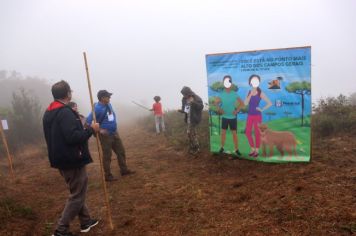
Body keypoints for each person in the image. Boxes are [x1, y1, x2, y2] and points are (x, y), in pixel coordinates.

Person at [42, 80, 100, 236]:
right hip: (72, 159)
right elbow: (72, 137)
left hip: (60, 158)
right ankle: (61, 230)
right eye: (70, 90)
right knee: (77, 195)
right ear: (68, 93)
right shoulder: (65, 112)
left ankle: (85, 221)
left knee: (77, 191)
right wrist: (91, 130)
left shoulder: (49, 111)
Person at [86, 90, 134, 182]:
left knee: (121, 151)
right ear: (102, 98)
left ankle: (124, 170)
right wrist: (100, 130)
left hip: (115, 132)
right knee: (107, 155)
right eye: (108, 96)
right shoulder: (96, 109)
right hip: (105, 136)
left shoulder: (108, 104)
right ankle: (108, 175)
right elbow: (87, 123)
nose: (110, 98)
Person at [216, 75, 244, 158]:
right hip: (224, 117)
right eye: (225, 82)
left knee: (234, 134)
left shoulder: (234, 94)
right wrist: (219, 109)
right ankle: (222, 147)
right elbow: (216, 103)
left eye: (228, 82)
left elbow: (242, 104)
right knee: (223, 133)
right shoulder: (221, 94)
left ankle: (236, 149)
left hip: (233, 118)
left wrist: (237, 111)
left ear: (231, 83)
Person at [244, 74, 272, 158]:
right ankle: (252, 148)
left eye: (256, 80)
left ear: (259, 82)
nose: (254, 82)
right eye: (253, 80)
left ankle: (257, 150)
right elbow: (245, 103)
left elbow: (269, 103)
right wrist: (250, 94)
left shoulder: (260, 92)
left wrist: (262, 109)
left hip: (257, 115)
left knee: (257, 133)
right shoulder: (249, 92)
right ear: (250, 82)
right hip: (250, 115)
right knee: (248, 132)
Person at [178, 86, 204, 155]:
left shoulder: (196, 98)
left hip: (194, 118)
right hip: (188, 118)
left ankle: (195, 148)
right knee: (192, 133)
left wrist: (193, 102)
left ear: (188, 92)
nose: (184, 96)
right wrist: (182, 111)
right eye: (183, 94)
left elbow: (201, 107)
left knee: (189, 133)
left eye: (185, 94)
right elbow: (185, 109)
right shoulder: (184, 99)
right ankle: (194, 147)